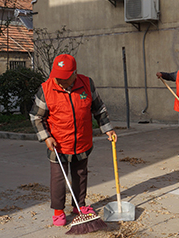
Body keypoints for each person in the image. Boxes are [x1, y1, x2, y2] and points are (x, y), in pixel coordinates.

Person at [29, 54, 117, 226]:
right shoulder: (46, 89)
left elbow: (99, 108)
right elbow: (36, 116)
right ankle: (58, 210)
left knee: (80, 174)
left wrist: (107, 129)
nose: (60, 81)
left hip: (82, 140)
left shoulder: (87, 84)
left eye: (64, 78)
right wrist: (46, 136)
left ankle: (79, 206)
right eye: (57, 77)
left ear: (75, 73)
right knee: (58, 178)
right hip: (58, 143)